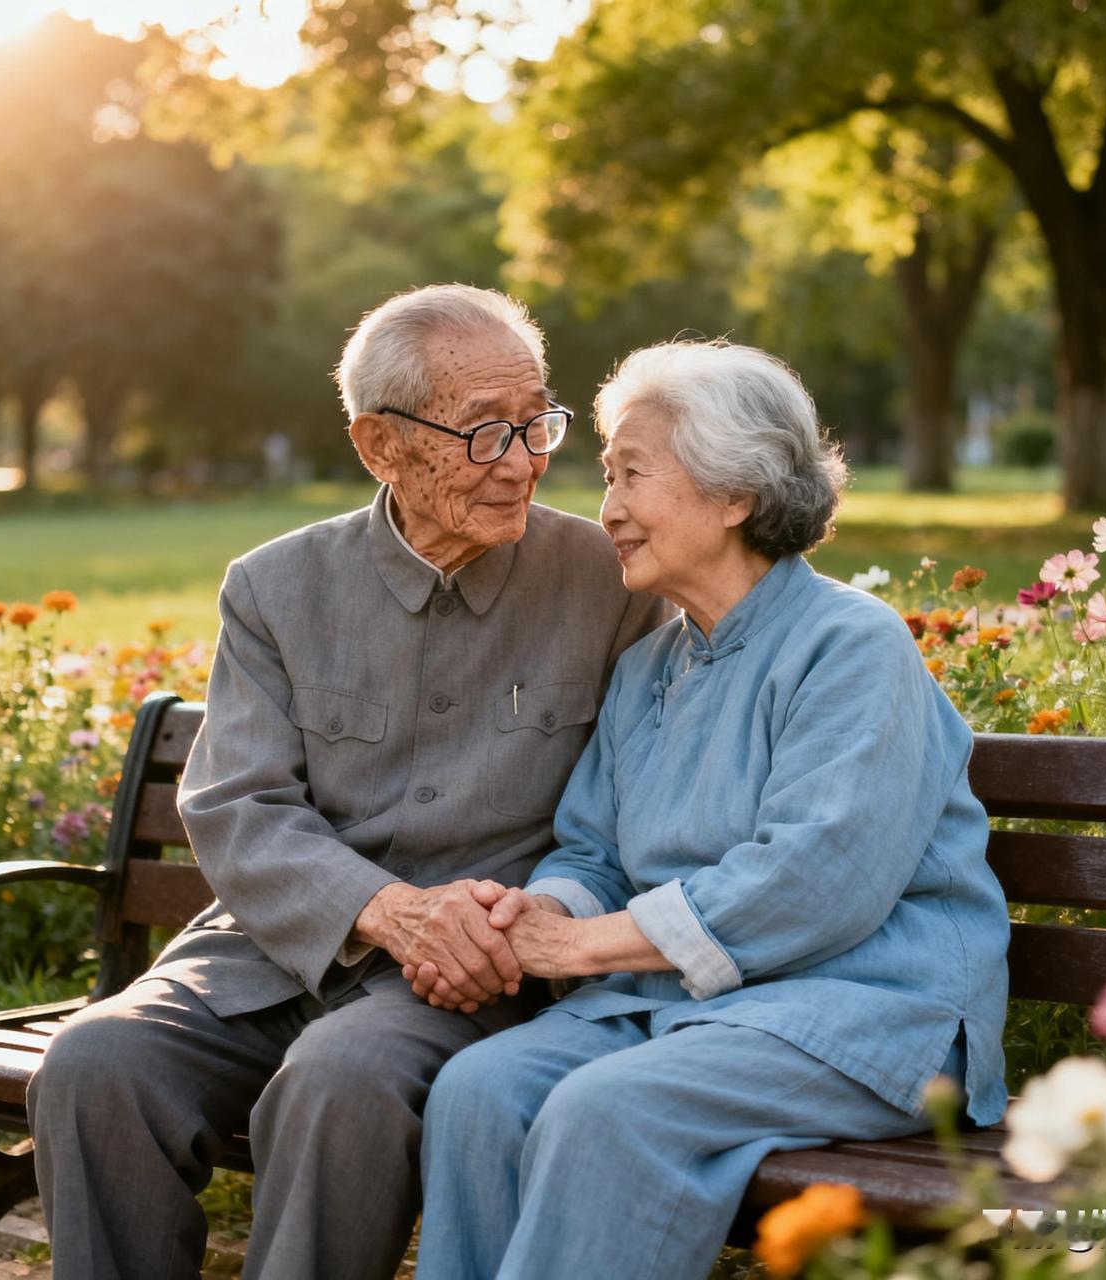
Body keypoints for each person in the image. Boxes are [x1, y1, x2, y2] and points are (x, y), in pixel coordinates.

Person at [26, 284, 669, 1280]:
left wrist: (510, 925)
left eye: (535, 421)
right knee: (95, 1062)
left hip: (471, 973)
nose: (525, 460)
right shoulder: (276, 585)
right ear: (378, 444)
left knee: (340, 1080)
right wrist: (386, 909)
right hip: (268, 957)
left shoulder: (608, 580)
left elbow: (632, 807)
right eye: (482, 432)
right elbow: (239, 804)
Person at [413, 340, 1011, 1280]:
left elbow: (818, 880)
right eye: (606, 476)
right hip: (688, 1007)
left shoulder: (852, 645)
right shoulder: (651, 664)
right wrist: (547, 912)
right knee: (479, 1089)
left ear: (735, 494)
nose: (605, 509)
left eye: (633, 475)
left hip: (861, 1009)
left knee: (604, 1109)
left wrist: (579, 950)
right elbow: (593, 848)